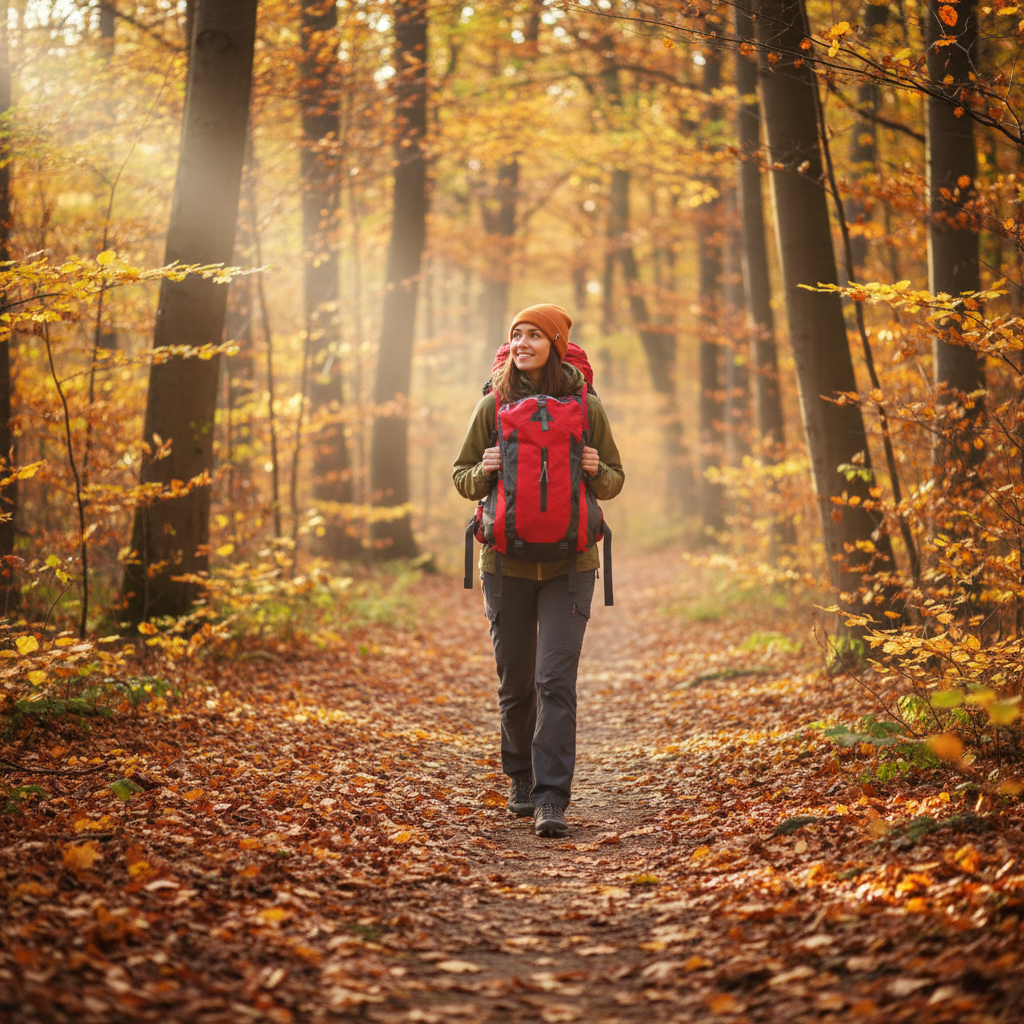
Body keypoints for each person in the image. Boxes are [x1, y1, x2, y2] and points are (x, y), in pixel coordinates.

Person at [452, 304, 625, 838]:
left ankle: (553, 799)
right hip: (504, 562)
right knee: (516, 685)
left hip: (571, 565)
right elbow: (460, 477)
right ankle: (520, 779)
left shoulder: (586, 405)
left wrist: (599, 471)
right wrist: (483, 472)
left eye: (533, 334)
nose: (522, 342)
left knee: (555, 682)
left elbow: (616, 479)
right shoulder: (493, 401)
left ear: (555, 341)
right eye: (516, 335)